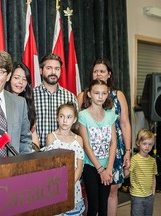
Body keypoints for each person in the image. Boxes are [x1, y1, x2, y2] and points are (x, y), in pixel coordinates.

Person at [77, 58, 131, 216]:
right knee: (91, 196)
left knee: (111, 191)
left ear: (109, 74)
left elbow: (125, 123)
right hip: (90, 156)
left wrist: (128, 151)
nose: (98, 73)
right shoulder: (82, 98)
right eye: (95, 71)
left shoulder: (117, 96)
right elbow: (78, 128)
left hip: (112, 153)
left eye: (102, 71)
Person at [78, 79, 117, 215]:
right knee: (93, 206)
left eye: (104, 93)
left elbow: (113, 143)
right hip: (91, 167)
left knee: (103, 207)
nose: (100, 96)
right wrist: (100, 170)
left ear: (107, 94)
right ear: (89, 94)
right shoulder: (83, 115)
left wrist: (109, 168)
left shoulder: (110, 114)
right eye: (97, 93)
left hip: (107, 167)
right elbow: (86, 145)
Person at [44, 102, 85, 216]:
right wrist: (59, 184)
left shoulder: (78, 140)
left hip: (73, 185)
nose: (65, 120)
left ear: (74, 119)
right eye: (62, 116)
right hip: (55, 185)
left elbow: (79, 166)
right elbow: (49, 165)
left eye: (69, 117)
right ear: (57, 118)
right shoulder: (52, 137)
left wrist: (70, 183)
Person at [34, 53, 78, 148]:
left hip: (64, 153)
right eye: (49, 68)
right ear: (41, 70)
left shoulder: (70, 97)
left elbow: (75, 128)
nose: (53, 72)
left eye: (57, 69)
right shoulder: (31, 96)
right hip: (37, 153)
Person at [5, 62, 40, 149]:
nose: (20, 82)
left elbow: (33, 137)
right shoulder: (0, 102)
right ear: (8, 78)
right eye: (16, 78)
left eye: (24, 79)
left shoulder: (27, 104)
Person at [127, 129, 157, 216]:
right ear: (138, 143)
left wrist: (153, 193)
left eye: (150, 144)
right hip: (137, 196)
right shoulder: (134, 159)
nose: (147, 147)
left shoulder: (152, 161)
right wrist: (126, 167)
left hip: (149, 195)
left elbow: (153, 177)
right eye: (144, 144)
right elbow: (126, 174)